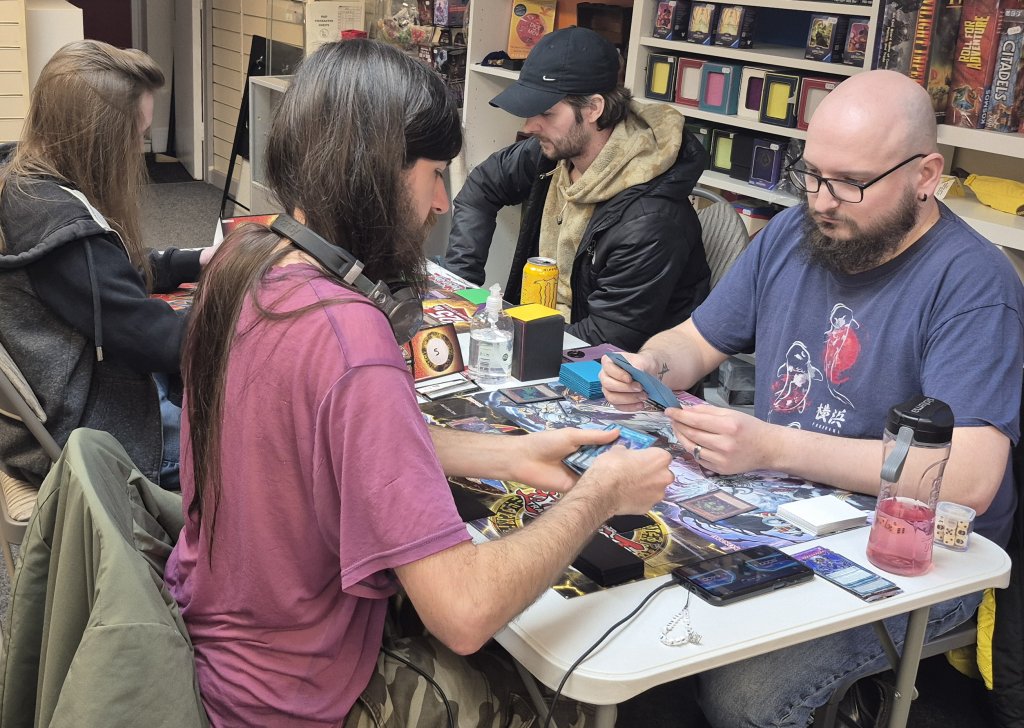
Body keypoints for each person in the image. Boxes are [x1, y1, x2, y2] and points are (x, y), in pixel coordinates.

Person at [164, 39, 673, 727]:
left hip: (223, 646)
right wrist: (601, 496)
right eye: (433, 173)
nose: (440, 202)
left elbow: (323, 435)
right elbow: (461, 613)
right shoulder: (351, 339)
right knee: (580, 693)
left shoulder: (245, 260)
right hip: (300, 697)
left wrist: (505, 455)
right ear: (371, 173)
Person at [601, 69, 1024, 727]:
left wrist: (774, 446)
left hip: (916, 557)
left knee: (744, 693)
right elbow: (695, 340)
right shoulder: (794, 232)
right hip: (783, 510)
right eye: (812, 174)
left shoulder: (975, 285)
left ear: (925, 175)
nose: (822, 201)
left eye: (850, 182)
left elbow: (967, 478)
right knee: (619, 588)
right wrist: (651, 362)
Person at [0, 40, 214, 488]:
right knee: (257, 439)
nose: (140, 146)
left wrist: (196, 260)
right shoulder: (63, 234)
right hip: (88, 437)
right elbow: (163, 342)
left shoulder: (26, 186)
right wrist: (243, 296)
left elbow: (109, 278)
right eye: (137, 135)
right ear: (99, 141)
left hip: (68, 397)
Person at [443, 27, 710, 352]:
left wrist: (503, 341)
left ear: (594, 109)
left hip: (621, 377)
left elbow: (608, 337)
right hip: (549, 338)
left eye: (547, 112)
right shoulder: (552, 152)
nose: (529, 126)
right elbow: (482, 186)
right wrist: (460, 282)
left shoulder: (651, 219)